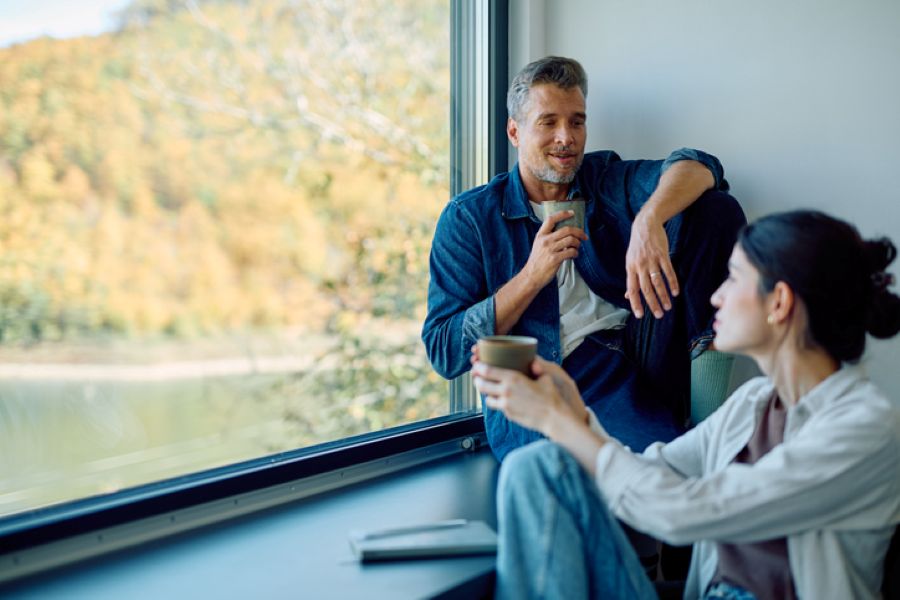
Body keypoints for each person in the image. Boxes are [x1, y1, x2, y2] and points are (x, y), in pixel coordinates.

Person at [473, 210, 900, 600]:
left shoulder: (865, 425)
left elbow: (686, 511)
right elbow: (655, 471)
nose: (715, 296)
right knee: (537, 465)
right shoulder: (753, 403)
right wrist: (571, 412)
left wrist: (556, 419)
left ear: (780, 302)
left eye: (733, 279)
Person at [421, 56, 745, 462]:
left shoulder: (602, 178)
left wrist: (649, 220)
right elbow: (444, 349)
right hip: (545, 377)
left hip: (630, 356)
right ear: (514, 131)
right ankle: (681, 448)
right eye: (549, 122)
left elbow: (700, 166)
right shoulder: (469, 218)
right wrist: (532, 275)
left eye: (576, 122)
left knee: (714, 211)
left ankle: (704, 423)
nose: (566, 138)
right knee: (614, 473)